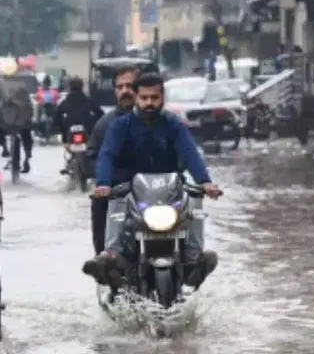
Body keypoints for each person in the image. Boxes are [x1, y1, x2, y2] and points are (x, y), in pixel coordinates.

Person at [83, 72, 221, 290]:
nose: (149, 103)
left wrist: (205, 182)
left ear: (162, 98)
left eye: (154, 98)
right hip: (131, 189)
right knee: (115, 198)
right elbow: (107, 155)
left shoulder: (174, 124)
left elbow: (190, 153)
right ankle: (112, 255)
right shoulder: (120, 126)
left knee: (195, 196)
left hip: (169, 189)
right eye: (144, 98)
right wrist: (103, 183)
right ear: (137, 98)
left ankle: (195, 256)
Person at [85, 65, 137, 255]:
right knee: (99, 204)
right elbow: (92, 157)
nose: (124, 91)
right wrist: (105, 182)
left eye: (129, 86)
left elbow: (183, 153)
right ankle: (104, 260)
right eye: (120, 87)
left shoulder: (160, 120)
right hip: (117, 192)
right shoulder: (105, 124)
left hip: (153, 191)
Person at [0, 74, 35, 172]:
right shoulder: (21, 85)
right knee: (26, 135)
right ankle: (26, 156)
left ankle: (5, 147)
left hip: (8, 121)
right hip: (21, 121)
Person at [53, 76, 104, 144]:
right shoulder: (88, 100)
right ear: (82, 86)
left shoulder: (66, 101)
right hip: (87, 131)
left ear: (70, 87)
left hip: (68, 133)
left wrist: (59, 127)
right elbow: (100, 113)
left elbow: (57, 116)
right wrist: (92, 120)